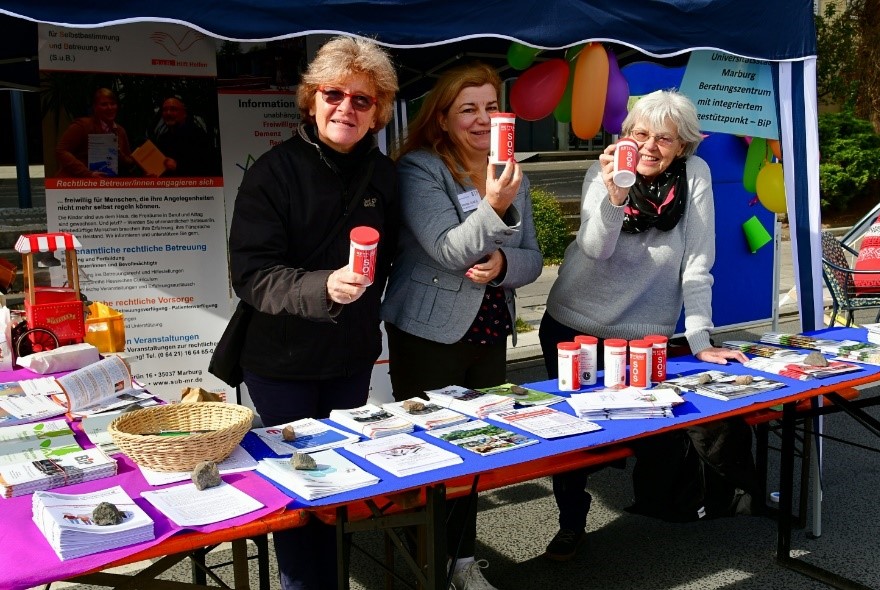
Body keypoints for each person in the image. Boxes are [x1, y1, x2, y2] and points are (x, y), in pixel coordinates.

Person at [537, 89, 754, 562]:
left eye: (665, 138)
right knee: (572, 437)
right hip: (575, 322)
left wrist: (700, 339)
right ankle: (571, 522)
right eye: (640, 133)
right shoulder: (609, 166)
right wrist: (615, 193)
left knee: (648, 426)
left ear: (684, 146)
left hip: (642, 333)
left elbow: (697, 264)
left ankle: (669, 504)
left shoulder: (695, 174)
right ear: (625, 135)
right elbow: (596, 248)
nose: (650, 146)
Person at [227, 36, 398, 590]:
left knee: (341, 483)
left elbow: (395, 255)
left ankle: (330, 576)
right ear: (311, 100)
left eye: (362, 100)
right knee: (299, 490)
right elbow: (251, 275)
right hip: (281, 362)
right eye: (333, 94)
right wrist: (323, 286)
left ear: (379, 112)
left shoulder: (385, 176)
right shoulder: (273, 172)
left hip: (349, 357)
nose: (346, 107)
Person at [382, 62, 543, 590]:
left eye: (490, 107)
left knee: (477, 446)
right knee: (427, 450)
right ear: (443, 118)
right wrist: (494, 205)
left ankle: (464, 561)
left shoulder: (512, 169)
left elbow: (534, 260)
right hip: (429, 333)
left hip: (490, 331)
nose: (481, 119)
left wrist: (502, 267)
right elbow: (450, 249)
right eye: (467, 109)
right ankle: (422, 560)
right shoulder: (421, 169)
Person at [55, 87, 135, 177]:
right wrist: (88, 174)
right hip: (76, 183)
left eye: (113, 104)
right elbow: (61, 150)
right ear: (95, 107)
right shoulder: (82, 126)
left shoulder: (120, 131)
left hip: (105, 184)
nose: (110, 108)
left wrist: (119, 155)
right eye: (104, 104)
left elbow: (129, 161)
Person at [152, 96, 220, 176]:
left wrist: (177, 167)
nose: (168, 113)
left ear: (184, 114)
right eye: (165, 110)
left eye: (173, 109)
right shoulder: (163, 139)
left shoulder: (197, 136)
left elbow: (208, 168)